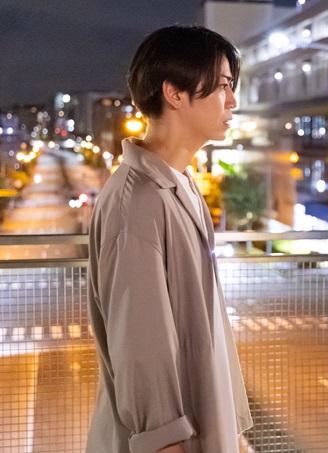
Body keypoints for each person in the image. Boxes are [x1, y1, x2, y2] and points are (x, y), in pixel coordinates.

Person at [87, 25, 252, 453]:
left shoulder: (181, 185)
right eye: (222, 86)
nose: (232, 101)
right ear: (174, 93)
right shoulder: (137, 201)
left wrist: (233, 432)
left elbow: (208, 330)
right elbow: (140, 348)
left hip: (206, 428)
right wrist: (165, 441)